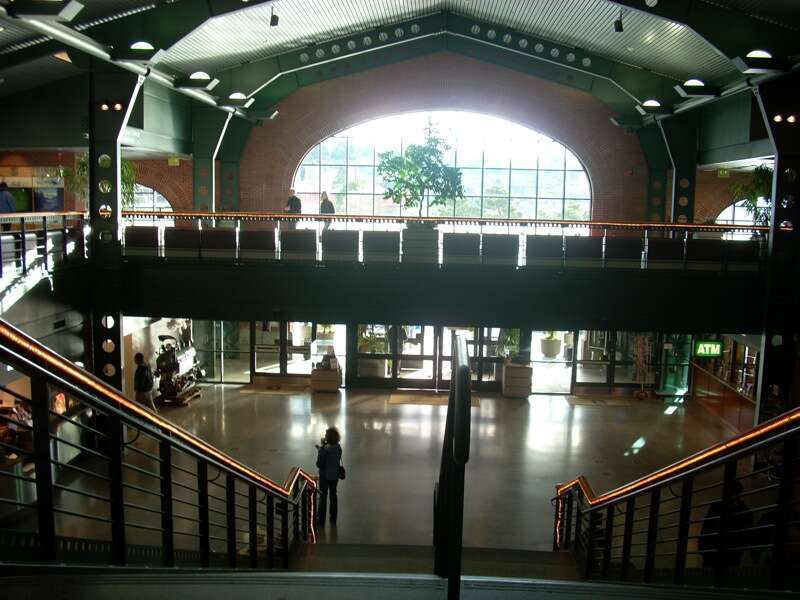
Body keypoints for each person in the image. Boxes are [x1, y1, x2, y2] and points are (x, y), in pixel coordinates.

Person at [315, 426, 343, 527]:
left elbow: (319, 464)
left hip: (324, 476)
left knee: (323, 497)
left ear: (328, 437)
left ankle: (321, 519)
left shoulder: (324, 450)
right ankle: (333, 517)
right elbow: (335, 459)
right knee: (333, 496)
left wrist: (320, 449)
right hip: (334, 476)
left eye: (326, 434)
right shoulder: (339, 448)